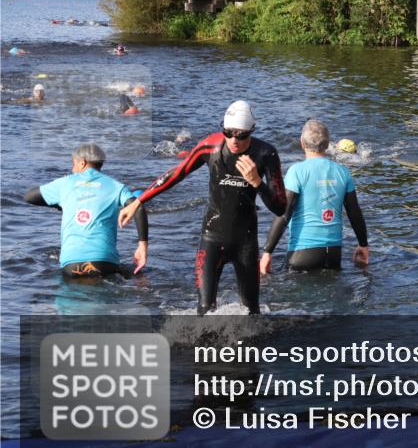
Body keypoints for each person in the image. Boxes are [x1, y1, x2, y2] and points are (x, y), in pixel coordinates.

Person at [119, 100, 286, 314]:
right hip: (212, 238)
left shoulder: (265, 154)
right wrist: (140, 200)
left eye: (241, 135)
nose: (234, 140)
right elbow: (178, 173)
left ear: (251, 131)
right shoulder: (210, 146)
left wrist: (257, 183)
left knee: (252, 312)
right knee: (205, 311)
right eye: (228, 132)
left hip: (245, 241)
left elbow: (280, 208)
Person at [260, 120, 368, 274]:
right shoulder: (343, 172)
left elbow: (285, 213)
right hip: (334, 254)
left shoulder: (297, 171)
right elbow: (354, 212)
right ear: (327, 144)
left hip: (302, 254)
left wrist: (267, 252)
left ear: (302, 143)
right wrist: (363, 245)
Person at [24, 143, 148, 278]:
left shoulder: (64, 183)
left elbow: (29, 197)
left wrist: (59, 204)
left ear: (82, 163)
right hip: (104, 262)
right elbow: (138, 207)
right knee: (135, 276)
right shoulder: (116, 186)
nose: (72, 169)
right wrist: (142, 248)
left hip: (71, 264)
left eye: (73, 164)